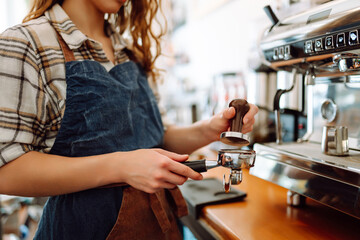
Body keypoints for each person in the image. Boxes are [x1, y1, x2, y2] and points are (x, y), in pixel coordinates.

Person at [0, 0, 258, 239]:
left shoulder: (131, 54)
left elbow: (158, 138)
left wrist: (209, 130)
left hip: (159, 226)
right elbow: (6, 170)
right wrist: (121, 167)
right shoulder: (25, 44)